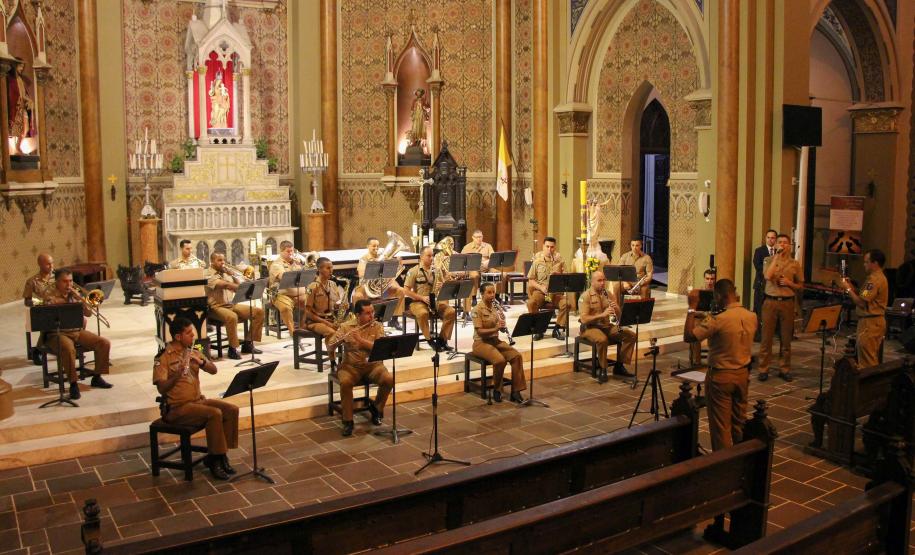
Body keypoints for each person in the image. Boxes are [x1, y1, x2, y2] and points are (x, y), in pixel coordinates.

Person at [153, 317, 239, 480]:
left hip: (197, 401)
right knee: (214, 413)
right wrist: (177, 375)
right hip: (177, 408)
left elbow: (213, 370)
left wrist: (200, 362)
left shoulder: (193, 351)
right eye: (189, 333)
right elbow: (161, 388)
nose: (193, 335)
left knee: (231, 410)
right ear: (178, 337)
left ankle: (220, 455)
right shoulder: (164, 357)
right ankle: (215, 460)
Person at [683, 279, 756, 450]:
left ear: (718, 296)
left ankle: (723, 467)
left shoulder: (718, 320)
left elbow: (689, 336)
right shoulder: (751, 316)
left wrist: (691, 308)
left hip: (721, 377)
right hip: (743, 375)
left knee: (720, 427)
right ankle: (741, 460)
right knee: (739, 423)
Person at [40, 269, 113, 399]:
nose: (69, 285)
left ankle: (97, 377)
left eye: (70, 281)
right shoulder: (48, 295)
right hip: (57, 334)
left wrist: (81, 300)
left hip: (77, 331)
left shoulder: (75, 293)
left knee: (104, 343)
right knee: (68, 349)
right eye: (65, 281)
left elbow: (89, 314)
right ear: (57, 282)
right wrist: (63, 302)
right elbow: (46, 316)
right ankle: (73, 384)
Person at [334, 299, 394, 437]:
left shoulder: (378, 326)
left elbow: (379, 347)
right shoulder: (345, 327)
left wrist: (360, 341)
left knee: (389, 379)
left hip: (373, 366)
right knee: (346, 383)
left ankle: (377, 409)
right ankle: (348, 421)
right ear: (357, 315)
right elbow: (331, 344)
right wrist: (334, 344)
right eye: (367, 313)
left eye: (372, 312)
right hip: (351, 366)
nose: (371, 316)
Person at [757, 234, 803, 382]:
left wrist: (790, 283)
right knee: (766, 338)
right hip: (770, 302)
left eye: (785, 243)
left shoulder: (795, 264)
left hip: (787, 302)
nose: (783, 245)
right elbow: (767, 276)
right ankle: (763, 368)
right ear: (776, 245)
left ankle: (784, 368)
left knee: (786, 338)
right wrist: (776, 257)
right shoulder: (768, 260)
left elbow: (800, 286)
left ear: (790, 245)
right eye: (780, 242)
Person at [471, 282, 526, 402]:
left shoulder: (496, 307)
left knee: (516, 356)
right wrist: (496, 328)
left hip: (494, 340)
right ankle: (497, 389)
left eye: (493, 292)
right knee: (500, 360)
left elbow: (498, 328)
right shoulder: (477, 309)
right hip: (481, 343)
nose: (492, 295)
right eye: (489, 293)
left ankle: (516, 391)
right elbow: (480, 332)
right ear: (482, 294)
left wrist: (501, 325)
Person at [205, 252, 264, 360]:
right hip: (216, 307)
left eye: (223, 260)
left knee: (258, 312)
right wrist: (243, 288)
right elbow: (227, 285)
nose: (223, 263)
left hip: (231, 304)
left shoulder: (225, 272)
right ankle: (232, 348)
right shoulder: (208, 274)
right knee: (232, 317)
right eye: (219, 260)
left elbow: (240, 282)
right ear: (212, 261)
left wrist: (233, 274)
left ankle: (248, 344)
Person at [578, 271, 636, 379]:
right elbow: (584, 319)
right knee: (602, 339)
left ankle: (619, 365)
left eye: (604, 280)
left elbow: (619, 317)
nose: (602, 283)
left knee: (630, 335)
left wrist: (617, 308)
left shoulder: (608, 293)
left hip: (607, 326)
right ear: (592, 282)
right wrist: (602, 315)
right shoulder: (585, 296)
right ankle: (603, 368)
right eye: (599, 280)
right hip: (590, 328)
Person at [842, 249, 888, 368]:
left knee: (867, 361)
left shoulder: (874, 280)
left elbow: (861, 302)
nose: (864, 265)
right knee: (869, 356)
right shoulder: (878, 278)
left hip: (870, 323)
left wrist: (848, 289)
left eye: (866, 262)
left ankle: (869, 385)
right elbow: (865, 295)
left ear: (875, 263)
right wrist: (852, 288)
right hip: (874, 322)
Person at [404, 246, 456, 349]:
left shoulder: (437, 270)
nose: (431, 258)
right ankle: (429, 340)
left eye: (432, 255)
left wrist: (442, 285)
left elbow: (444, 283)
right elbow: (405, 290)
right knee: (423, 313)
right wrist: (422, 298)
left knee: (451, 312)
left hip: (435, 301)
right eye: (429, 256)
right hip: (418, 302)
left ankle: (442, 340)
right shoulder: (413, 271)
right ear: (422, 257)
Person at [351, 237, 404, 330]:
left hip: (381, 288)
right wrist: (374, 265)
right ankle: (358, 321)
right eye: (373, 246)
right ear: (368, 246)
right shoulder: (363, 259)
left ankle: (394, 319)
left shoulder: (384, 257)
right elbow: (361, 274)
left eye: (378, 246)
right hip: (366, 287)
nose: (376, 248)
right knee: (357, 296)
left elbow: (390, 274)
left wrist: (397, 264)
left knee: (400, 291)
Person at [526, 236, 568, 341]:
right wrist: (540, 287)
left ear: (555, 248)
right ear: (543, 247)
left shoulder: (560, 262)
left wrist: (559, 275)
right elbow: (531, 280)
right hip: (540, 292)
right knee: (531, 303)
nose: (549, 249)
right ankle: (538, 329)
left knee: (566, 304)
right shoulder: (537, 262)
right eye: (547, 246)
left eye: (552, 247)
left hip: (556, 293)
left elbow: (567, 278)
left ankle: (558, 329)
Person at [305, 257, 345, 361]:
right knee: (331, 333)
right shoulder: (312, 287)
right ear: (319, 269)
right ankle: (332, 360)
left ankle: (347, 359)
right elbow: (308, 312)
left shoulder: (333, 284)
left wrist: (341, 306)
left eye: (331, 267)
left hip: (331, 319)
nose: (331, 270)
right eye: (328, 268)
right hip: (314, 321)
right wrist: (326, 322)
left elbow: (335, 305)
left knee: (350, 329)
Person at [269, 240, 308, 334]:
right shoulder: (276, 264)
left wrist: (303, 266)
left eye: (292, 251)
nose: (291, 253)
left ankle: (304, 327)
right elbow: (284, 277)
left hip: (299, 294)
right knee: (285, 308)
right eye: (288, 251)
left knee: (312, 301)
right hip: (281, 295)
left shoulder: (296, 263)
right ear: (281, 252)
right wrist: (294, 267)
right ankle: (293, 332)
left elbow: (305, 277)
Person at [460, 229, 496, 322]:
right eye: (477, 237)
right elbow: (461, 259)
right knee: (474, 275)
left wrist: (487, 262)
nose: (479, 239)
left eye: (481, 237)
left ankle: (496, 297)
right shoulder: (467, 247)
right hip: (473, 268)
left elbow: (493, 257)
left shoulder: (488, 246)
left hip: (486, 267)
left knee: (501, 274)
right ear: (473, 238)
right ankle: (474, 297)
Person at [687, 268, 717, 365]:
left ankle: (716, 360)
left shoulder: (718, 293)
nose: (709, 281)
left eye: (712, 279)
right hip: (701, 318)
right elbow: (692, 311)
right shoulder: (698, 292)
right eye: (707, 279)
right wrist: (703, 313)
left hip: (714, 320)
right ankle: (696, 361)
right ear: (704, 279)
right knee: (694, 331)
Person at [752, 230, 778, 336]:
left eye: (772, 238)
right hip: (761, 284)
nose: (770, 239)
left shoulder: (778, 252)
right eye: (768, 237)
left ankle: (773, 333)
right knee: (758, 308)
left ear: (775, 239)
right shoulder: (759, 251)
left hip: (774, 286)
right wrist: (769, 274)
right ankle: (758, 334)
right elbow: (757, 266)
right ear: (765, 238)